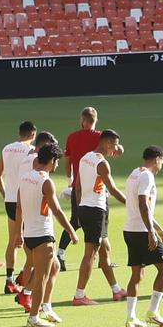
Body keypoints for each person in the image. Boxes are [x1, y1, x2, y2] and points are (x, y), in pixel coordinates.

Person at [14, 142, 75, 327]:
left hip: (29, 235)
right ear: (52, 160)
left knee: (55, 267)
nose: (57, 166)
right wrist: (71, 231)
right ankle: (34, 317)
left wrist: (18, 232)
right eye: (57, 162)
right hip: (43, 236)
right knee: (41, 278)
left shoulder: (25, 178)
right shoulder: (46, 182)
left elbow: (18, 207)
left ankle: (46, 307)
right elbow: (56, 211)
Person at [70, 129, 126, 306]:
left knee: (105, 248)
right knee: (90, 255)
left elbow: (77, 187)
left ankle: (116, 289)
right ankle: (79, 295)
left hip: (85, 207)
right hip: (96, 210)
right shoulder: (102, 164)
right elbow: (113, 189)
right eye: (115, 145)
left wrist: (79, 210)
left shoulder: (85, 158)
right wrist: (131, 203)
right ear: (107, 143)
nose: (115, 149)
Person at [122, 146, 163, 327]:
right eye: (161, 163)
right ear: (157, 159)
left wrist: (158, 228)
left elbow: (141, 208)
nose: (161, 167)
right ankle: (153, 311)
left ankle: (130, 317)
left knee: (137, 274)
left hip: (130, 229)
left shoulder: (134, 174)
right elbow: (143, 205)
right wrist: (151, 231)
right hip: (142, 231)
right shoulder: (147, 177)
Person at [0, 119, 40, 294]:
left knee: (13, 240)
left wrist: (6, 194)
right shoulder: (30, 151)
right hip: (24, 200)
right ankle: (25, 276)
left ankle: (9, 279)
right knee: (30, 241)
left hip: (10, 200)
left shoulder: (6, 148)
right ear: (33, 134)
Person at [57, 106, 104, 265]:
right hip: (97, 188)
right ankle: (102, 260)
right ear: (95, 120)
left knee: (75, 221)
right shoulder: (101, 137)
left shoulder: (72, 137)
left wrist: (69, 179)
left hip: (78, 185)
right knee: (100, 222)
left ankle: (61, 252)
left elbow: (67, 160)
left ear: (83, 120)